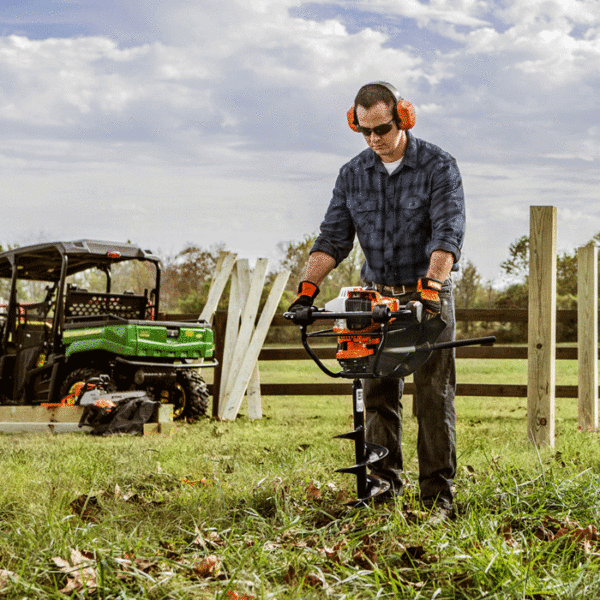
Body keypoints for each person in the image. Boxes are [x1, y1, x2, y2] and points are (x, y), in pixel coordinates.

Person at [288, 81, 465, 515]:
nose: (374, 139)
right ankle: (383, 490)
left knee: (433, 398)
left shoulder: (438, 165)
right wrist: (306, 290)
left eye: (382, 129)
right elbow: (332, 237)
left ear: (404, 118)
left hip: (427, 296)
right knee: (377, 396)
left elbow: (448, 233)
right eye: (364, 131)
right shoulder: (353, 174)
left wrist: (431, 286)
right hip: (375, 299)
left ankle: (438, 498)